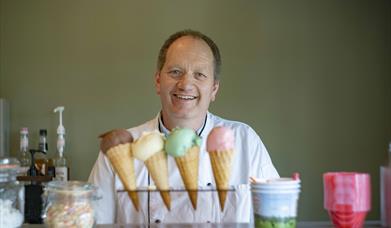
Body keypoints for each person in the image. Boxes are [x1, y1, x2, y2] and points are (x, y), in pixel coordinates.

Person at [88, 29, 279, 224]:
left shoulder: (246, 141)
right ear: (157, 81)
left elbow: (276, 218)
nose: (186, 84)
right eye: (175, 72)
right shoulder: (120, 148)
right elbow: (94, 222)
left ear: (214, 89)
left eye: (199, 75)